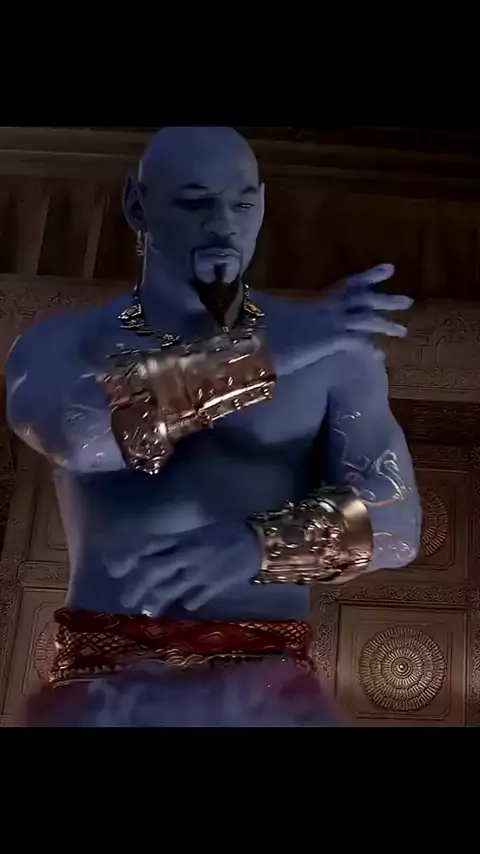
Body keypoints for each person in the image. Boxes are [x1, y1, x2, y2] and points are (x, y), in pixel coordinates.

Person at [5, 126, 421, 727]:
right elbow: (81, 437)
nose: (223, 224)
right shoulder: (62, 345)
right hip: (106, 685)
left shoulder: (334, 355)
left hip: (267, 689)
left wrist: (258, 546)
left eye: (242, 204)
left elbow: (398, 524)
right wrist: (267, 352)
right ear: (136, 205)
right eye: (196, 203)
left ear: (263, 205)